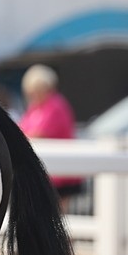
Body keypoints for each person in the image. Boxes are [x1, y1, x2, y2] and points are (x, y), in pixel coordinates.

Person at [18, 64, 84, 210]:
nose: (32, 94)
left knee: (57, 215)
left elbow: (40, 132)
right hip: (46, 170)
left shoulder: (55, 105)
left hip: (62, 172)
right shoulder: (36, 107)